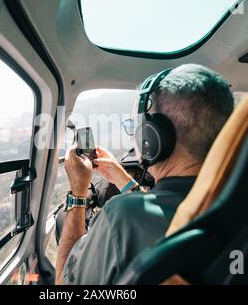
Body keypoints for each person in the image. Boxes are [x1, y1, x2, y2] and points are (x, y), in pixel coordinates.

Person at [55, 64, 234, 284]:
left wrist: (78, 190)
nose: (135, 136)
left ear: (152, 137)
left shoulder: (123, 217)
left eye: (136, 126)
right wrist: (123, 180)